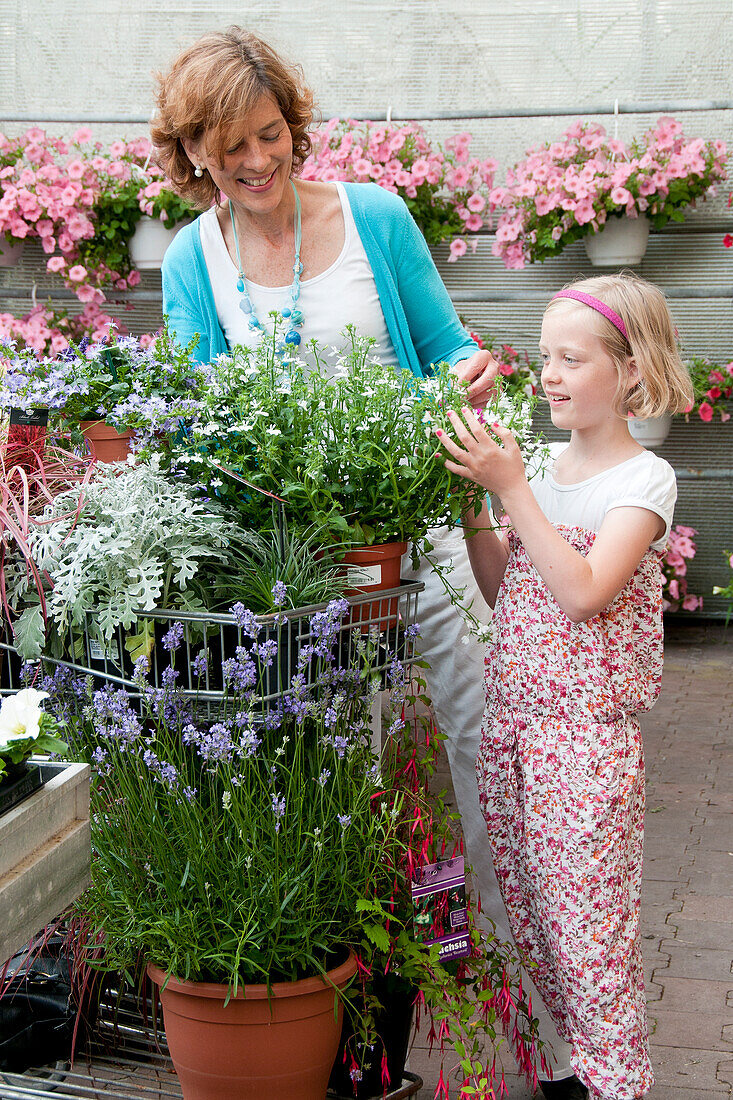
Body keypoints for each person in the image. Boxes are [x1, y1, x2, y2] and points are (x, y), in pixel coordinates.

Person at [151, 25, 576, 1090]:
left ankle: (550, 1048)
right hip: (300, 589)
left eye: (269, 134)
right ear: (190, 149)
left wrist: (469, 375)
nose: (254, 162)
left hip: (425, 553)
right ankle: (363, 1051)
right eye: (226, 146)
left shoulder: (373, 219)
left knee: (491, 780)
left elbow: (449, 352)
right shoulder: (190, 265)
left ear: (293, 123)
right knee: (340, 804)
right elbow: (204, 433)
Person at [437, 273, 694, 1100]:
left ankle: (618, 1083)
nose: (548, 374)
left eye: (571, 359)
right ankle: (577, 1073)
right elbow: (501, 587)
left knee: (589, 937)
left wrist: (510, 489)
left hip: (581, 748)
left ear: (629, 370)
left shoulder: (641, 483)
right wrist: (480, 503)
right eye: (544, 356)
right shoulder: (537, 469)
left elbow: (583, 592)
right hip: (512, 732)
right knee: (536, 927)